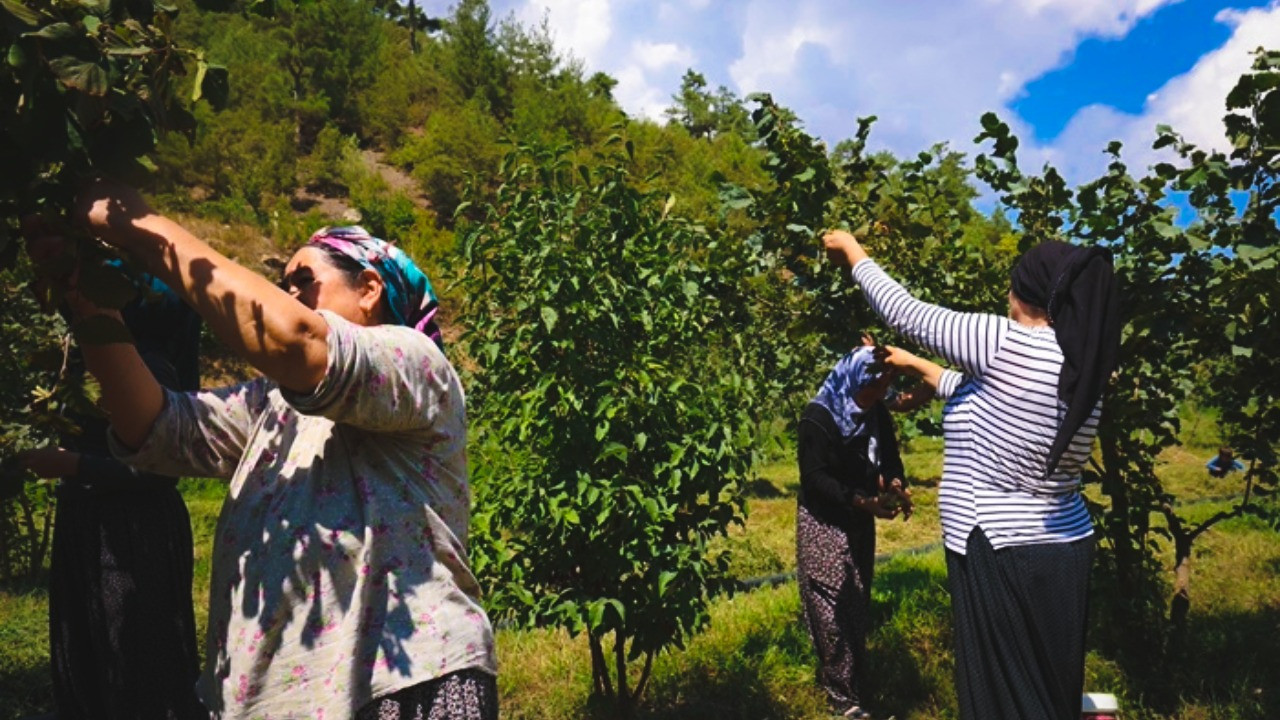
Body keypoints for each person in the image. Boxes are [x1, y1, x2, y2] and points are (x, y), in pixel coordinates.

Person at [27, 184, 497, 720]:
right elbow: (152, 427)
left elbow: (298, 342)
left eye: (304, 282)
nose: (288, 297)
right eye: (283, 286)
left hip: (401, 685)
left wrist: (134, 222)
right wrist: (84, 296)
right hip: (273, 700)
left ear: (369, 288)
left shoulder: (416, 363)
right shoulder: (271, 405)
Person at [822, 229, 1120, 720]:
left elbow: (904, 312)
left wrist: (853, 252)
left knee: (1002, 699)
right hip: (1062, 546)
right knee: (1044, 690)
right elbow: (994, 395)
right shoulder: (1080, 362)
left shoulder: (1005, 340)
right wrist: (919, 367)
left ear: (1024, 293)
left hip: (1000, 550)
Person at [17, 275, 205, 719]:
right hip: (93, 523)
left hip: (131, 534)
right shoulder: (97, 362)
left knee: (135, 654)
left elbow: (160, 473)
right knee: (93, 646)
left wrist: (71, 465)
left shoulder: (147, 368)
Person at [796, 338, 933, 719]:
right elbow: (815, 479)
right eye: (874, 386)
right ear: (855, 381)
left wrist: (894, 484)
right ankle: (843, 699)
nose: (880, 394)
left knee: (856, 602)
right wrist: (861, 501)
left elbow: (889, 456)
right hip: (823, 519)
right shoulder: (818, 419)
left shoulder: (874, 412)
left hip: (858, 520)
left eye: (883, 387)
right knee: (829, 607)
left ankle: (854, 689)